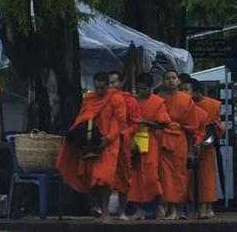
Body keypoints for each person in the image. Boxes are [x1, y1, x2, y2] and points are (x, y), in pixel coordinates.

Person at [57, 71, 126, 223]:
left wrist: (108, 139)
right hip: (91, 144)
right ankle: (100, 208)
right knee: (92, 178)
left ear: (108, 85)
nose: (100, 92)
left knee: (103, 177)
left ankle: (106, 212)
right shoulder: (89, 98)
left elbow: (119, 121)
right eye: (97, 88)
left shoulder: (117, 98)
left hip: (109, 144)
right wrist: (80, 137)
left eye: (103, 88)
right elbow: (82, 118)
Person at [157, 70, 201, 220]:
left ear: (178, 81)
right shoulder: (158, 100)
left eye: (173, 78)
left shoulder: (186, 99)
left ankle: (179, 209)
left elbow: (191, 128)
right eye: (167, 78)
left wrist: (190, 150)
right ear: (163, 81)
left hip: (181, 141)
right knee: (165, 176)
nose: (171, 80)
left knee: (180, 176)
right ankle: (170, 210)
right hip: (163, 141)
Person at [127, 73, 171, 220]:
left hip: (150, 140)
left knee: (152, 175)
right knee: (134, 175)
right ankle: (138, 210)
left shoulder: (158, 102)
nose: (141, 92)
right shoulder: (131, 100)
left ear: (151, 87)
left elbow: (163, 124)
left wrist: (145, 122)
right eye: (139, 88)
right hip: (132, 139)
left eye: (144, 88)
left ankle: (159, 205)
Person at [188, 79, 225, 219]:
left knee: (208, 177)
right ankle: (194, 206)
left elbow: (218, 124)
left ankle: (208, 206)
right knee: (191, 177)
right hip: (190, 143)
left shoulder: (213, 104)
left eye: (189, 90)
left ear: (197, 90)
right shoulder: (188, 104)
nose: (187, 94)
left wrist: (214, 131)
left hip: (207, 144)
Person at [108, 71, 141, 220]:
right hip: (106, 143)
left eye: (114, 82)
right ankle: (103, 210)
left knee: (123, 177)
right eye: (109, 83)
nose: (111, 86)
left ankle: (121, 212)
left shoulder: (130, 100)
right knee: (103, 176)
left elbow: (135, 124)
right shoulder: (103, 100)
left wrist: (124, 133)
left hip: (122, 142)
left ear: (121, 83)